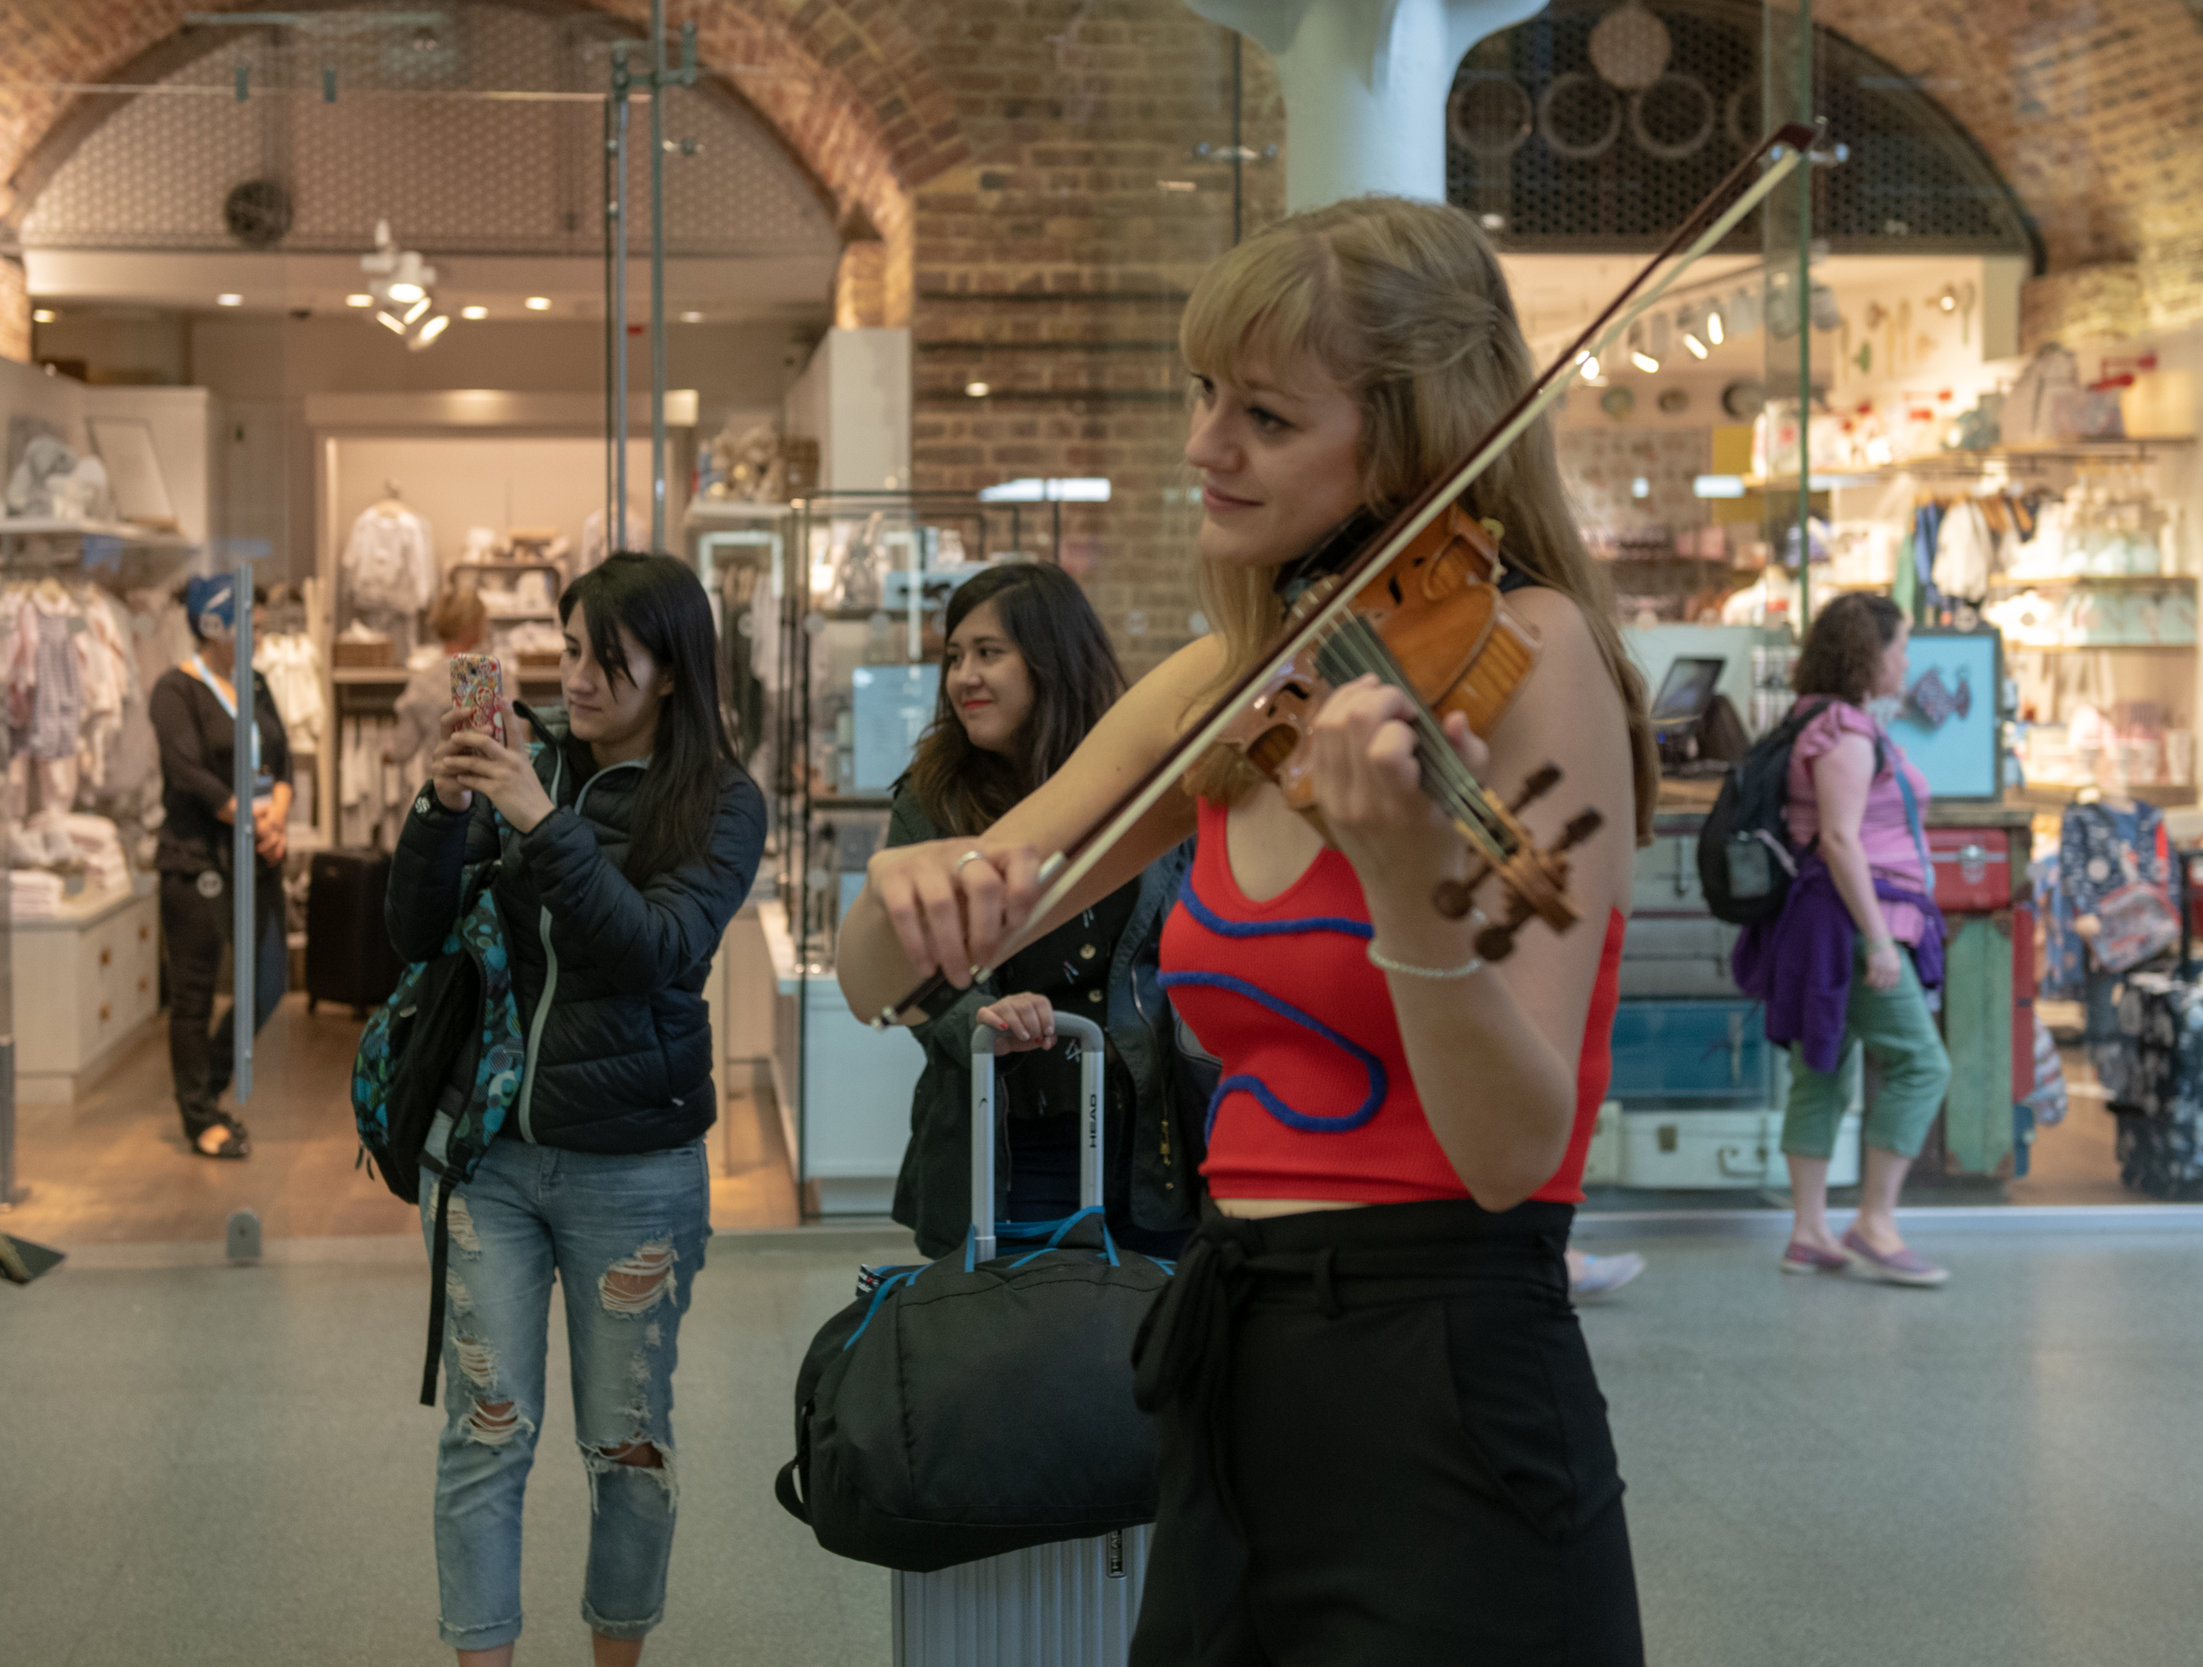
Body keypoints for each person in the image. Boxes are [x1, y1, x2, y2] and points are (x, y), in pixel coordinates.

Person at [838, 198, 1647, 1663]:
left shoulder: (1540, 665)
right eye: (1205, 395)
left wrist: (1411, 891)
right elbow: (872, 971)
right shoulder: (1234, 683)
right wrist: (903, 900)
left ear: (1412, 438)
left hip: (1447, 1375)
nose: (1206, 446)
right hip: (1239, 1361)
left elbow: (1513, 1146)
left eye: (1267, 415)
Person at [386, 551, 766, 1667]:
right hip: (486, 1155)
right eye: (569, 649)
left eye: (612, 656)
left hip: (633, 1165)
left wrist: (539, 817)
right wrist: (442, 804)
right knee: (484, 1435)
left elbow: (655, 950)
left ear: (672, 670)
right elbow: (413, 933)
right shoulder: (523, 750)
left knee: (628, 1448)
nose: (582, 676)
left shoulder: (721, 802)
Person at [885, 561, 1208, 1259]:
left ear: (1052, 660)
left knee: (1150, 1345)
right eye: (954, 656)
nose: (964, 675)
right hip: (1004, 1137)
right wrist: (979, 1018)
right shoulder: (928, 798)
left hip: (1150, 1137)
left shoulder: (1144, 786)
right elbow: (913, 973)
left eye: (988, 653)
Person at [1731, 593, 1953, 1287]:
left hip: (1821, 924)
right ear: (1871, 652)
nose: (1906, 660)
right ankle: (1875, 1222)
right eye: (1901, 646)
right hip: (1849, 924)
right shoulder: (1846, 732)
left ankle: (1808, 1232)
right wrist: (1881, 941)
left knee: (1823, 1068)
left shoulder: (1812, 720)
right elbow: (1838, 838)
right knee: (1924, 1063)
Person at [148, 574, 289, 1159]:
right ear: (214, 627)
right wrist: (252, 820)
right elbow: (189, 775)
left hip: (258, 853)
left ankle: (206, 1086)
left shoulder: (255, 682)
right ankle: (199, 1116)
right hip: (197, 858)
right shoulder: (174, 690)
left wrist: (276, 814)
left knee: (269, 980)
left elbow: (282, 759)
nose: (258, 631)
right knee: (195, 991)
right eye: (248, 622)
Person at [387, 586, 491, 769]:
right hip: (491, 786)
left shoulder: (422, 680)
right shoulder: (494, 674)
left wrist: (382, 754)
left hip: (441, 783)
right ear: (471, 624)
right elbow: (517, 737)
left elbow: (402, 748)